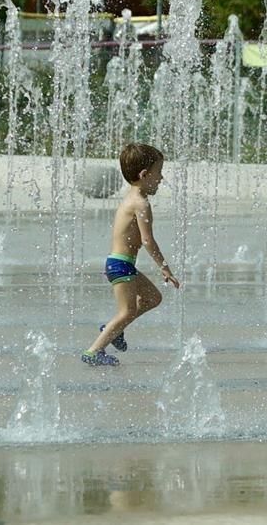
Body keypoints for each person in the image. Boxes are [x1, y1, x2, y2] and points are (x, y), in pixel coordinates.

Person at [82, 142, 181, 366]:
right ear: (144, 174)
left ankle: (113, 329)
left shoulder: (131, 198)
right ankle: (93, 351)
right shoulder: (141, 203)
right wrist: (164, 267)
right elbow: (148, 240)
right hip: (121, 265)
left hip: (121, 264)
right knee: (126, 311)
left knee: (152, 298)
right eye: (159, 173)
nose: (161, 179)